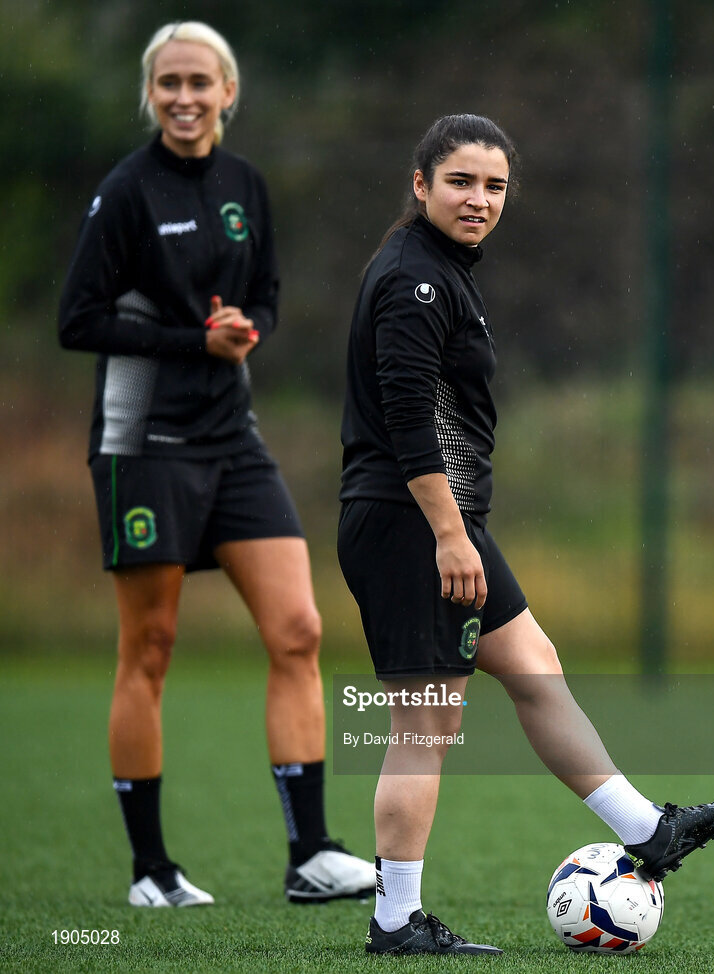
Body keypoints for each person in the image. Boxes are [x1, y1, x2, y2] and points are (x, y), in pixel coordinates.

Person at [337, 113, 714, 955]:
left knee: (533, 665)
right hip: (414, 523)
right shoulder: (415, 278)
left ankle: (649, 831)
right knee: (425, 728)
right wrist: (450, 536)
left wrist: (459, 531)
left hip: (444, 523)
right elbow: (410, 418)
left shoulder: (446, 270)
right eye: (459, 181)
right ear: (420, 186)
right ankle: (394, 924)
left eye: (493, 185)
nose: (478, 199)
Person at [58, 20, 375, 908]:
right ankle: (151, 872)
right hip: (142, 444)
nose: (186, 98)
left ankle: (310, 854)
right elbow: (76, 321)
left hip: (232, 440)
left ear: (229, 91)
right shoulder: (126, 191)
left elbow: (265, 295)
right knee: (150, 649)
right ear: (151, 95)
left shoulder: (244, 184)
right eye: (170, 85)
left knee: (300, 632)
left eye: (201, 82)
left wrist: (247, 332)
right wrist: (192, 340)